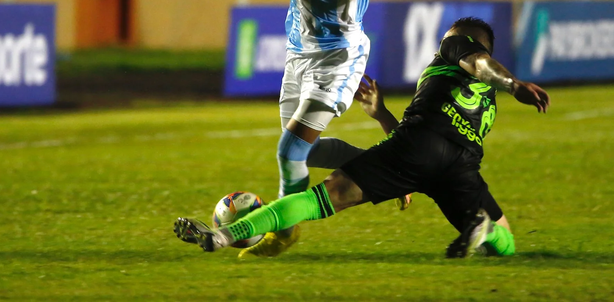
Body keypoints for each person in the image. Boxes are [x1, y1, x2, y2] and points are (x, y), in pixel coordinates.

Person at [126, 0, 475, 257]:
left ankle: (283, 232)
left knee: (290, 149)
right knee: (304, 150)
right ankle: (391, 170)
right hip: (299, 53)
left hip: (341, 53)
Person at [173, 17, 550, 258]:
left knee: (321, 198)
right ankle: (482, 228)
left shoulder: (456, 49)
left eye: (449, 40)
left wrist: (513, 84)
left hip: (419, 145)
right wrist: (381, 114)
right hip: (461, 164)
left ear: (463, 41)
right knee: (507, 241)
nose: (443, 45)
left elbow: (478, 66)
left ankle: (225, 235)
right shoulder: (488, 103)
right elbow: (439, 133)